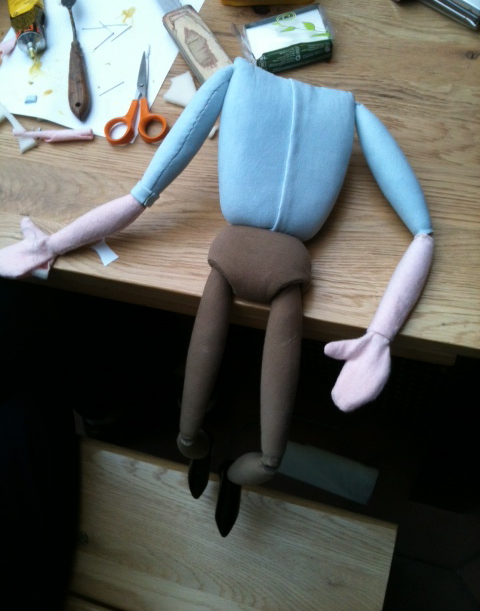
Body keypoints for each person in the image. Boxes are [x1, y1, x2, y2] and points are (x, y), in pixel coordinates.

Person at [0, 57, 433, 535]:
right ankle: (207, 452)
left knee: (257, 449)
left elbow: (145, 190)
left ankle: (211, 457)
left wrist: (379, 336)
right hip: (270, 258)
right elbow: (423, 233)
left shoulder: (297, 97)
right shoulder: (329, 105)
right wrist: (53, 245)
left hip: (279, 263)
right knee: (235, 442)